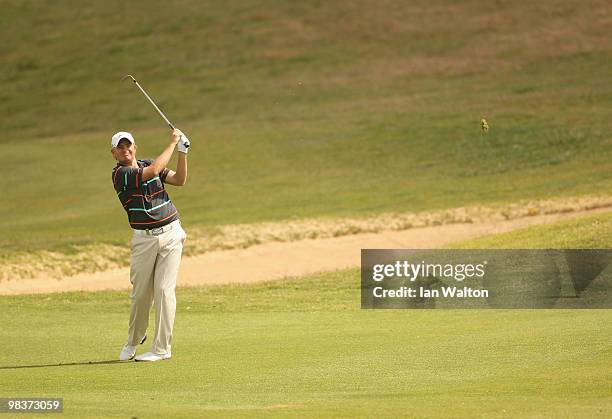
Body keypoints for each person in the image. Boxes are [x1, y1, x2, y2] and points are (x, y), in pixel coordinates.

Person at [110, 128, 190, 362]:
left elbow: (179, 180)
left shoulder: (147, 163)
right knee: (141, 296)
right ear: (113, 153)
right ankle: (134, 340)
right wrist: (174, 142)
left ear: (135, 147)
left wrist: (183, 153)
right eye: (120, 148)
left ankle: (162, 349)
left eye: (129, 146)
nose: (125, 150)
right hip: (144, 239)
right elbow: (153, 170)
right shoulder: (121, 175)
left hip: (172, 232)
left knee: (165, 292)